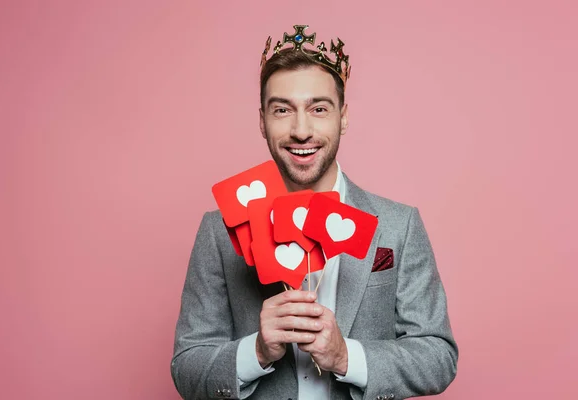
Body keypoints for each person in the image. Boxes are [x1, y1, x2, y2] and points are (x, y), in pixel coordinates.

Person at [171, 25, 458, 400]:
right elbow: (187, 366)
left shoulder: (398, 226)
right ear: (262, 121)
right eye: (282, 110)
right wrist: (256, 351)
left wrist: (346, 356)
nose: (301, 130)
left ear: (343, 117)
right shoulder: (219, 230)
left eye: (319, 109)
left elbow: (438, 356)